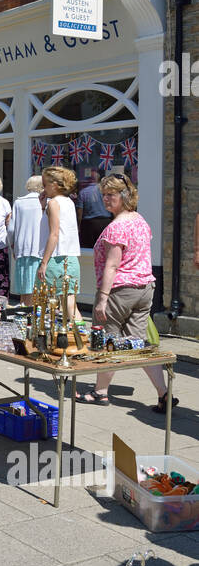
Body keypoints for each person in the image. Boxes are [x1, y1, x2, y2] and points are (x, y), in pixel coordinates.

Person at [83, 174, 175, 413]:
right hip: (144, 288)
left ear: (125, 196)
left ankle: (100, 392)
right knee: (138, 345)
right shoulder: (140, 220)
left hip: (120, 290)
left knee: (106, 341)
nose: (105, 199)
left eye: (110, 194)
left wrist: (102, 298)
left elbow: (112, 265)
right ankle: (164, 394)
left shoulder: (117, 226)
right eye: (103, 194)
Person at [38, 166, 81, 320]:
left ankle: (53, 339)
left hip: (56, 259)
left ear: (54, 185)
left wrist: (44, 262)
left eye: (45, 185)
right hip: (71, 258)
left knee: (49, 304)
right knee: (70, 303)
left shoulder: (54, 203)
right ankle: (80, 337)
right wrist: (43, 207)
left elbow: (54, 234)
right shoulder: (68, 202)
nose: (43, 188)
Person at [9, 177, 45, 305]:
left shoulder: (19, 202)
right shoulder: (44, 202)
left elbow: (11, 229)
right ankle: (31, 316)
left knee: (24, 287)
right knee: (37, 288)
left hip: (22, 248)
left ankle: (24, 314)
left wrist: (13, 245)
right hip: (39, 249)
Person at [77, 169, 110, 249]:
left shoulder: (83, 192)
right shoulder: (105, 191)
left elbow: (79, 212)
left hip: (89, 224)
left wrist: (78, 226)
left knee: (87, 250)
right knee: (104, 248)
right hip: (105, 222)